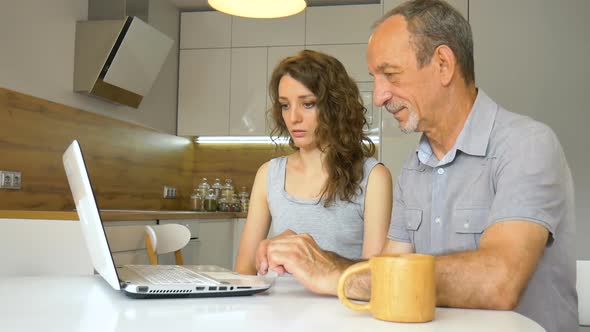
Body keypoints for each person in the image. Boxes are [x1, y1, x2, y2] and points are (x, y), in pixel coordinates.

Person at [254, 1, 578, 331]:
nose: (379, 96)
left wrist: (335, 273)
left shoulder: (526, 145)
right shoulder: (415, 168)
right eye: (375, 78)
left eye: (390, 74)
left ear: (442, 64)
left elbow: (498, 281)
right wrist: (319, 260)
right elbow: (382, 275)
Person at [234, 50, 393, 275]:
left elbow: (374, 276)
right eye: (285, 105)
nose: (293, 118)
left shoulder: (373, 177)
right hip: (274, 307)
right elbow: (244, 271)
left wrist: (309, 258)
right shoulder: (268, 174)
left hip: (340, 308)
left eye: (308, 104)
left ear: (335, 107)